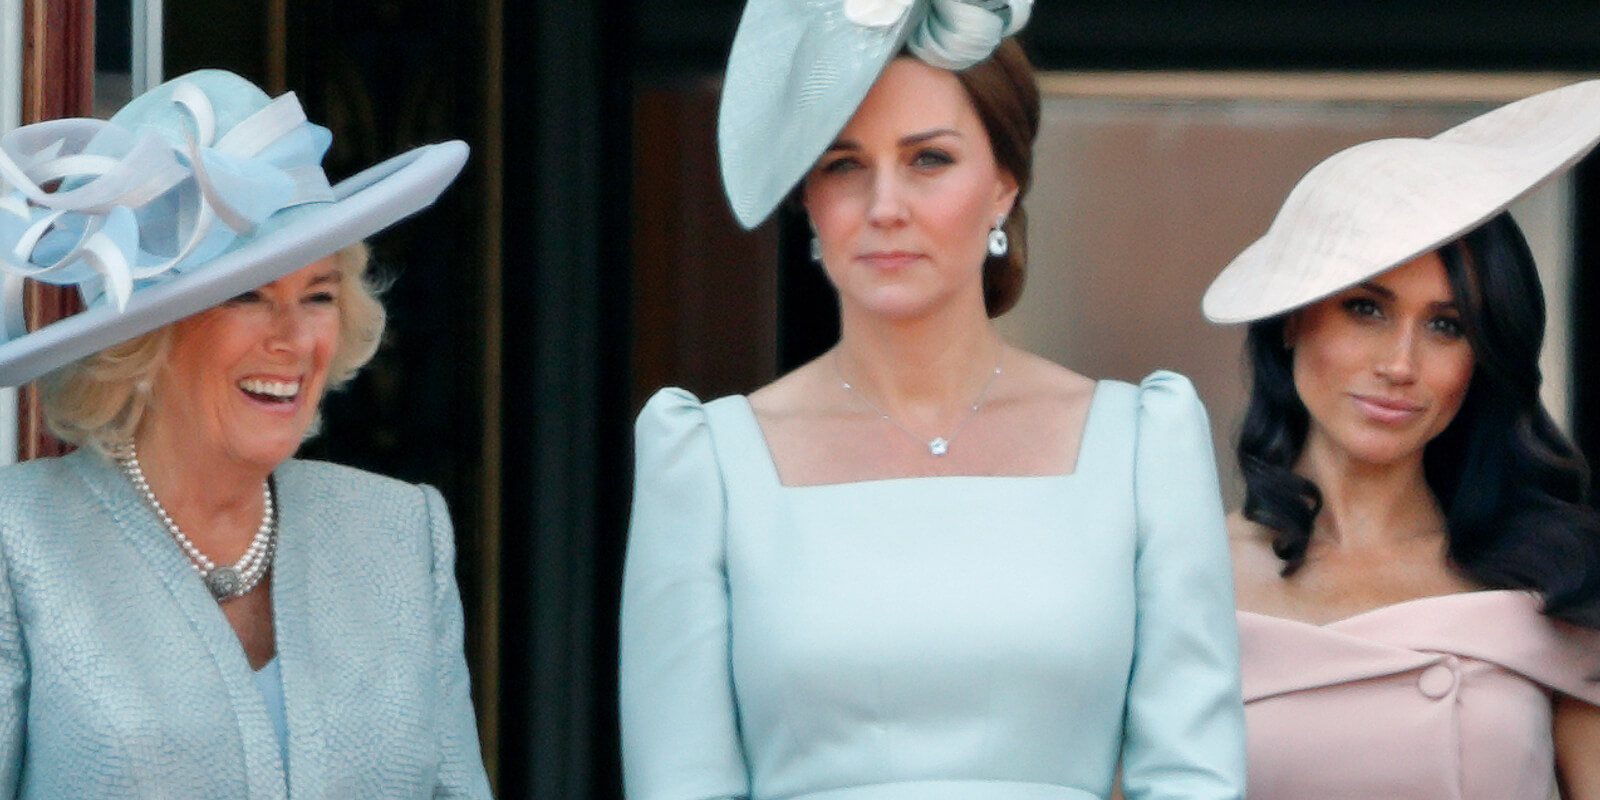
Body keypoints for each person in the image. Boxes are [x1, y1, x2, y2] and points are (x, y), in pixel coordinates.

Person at [620, 2, 1246, 798]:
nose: (886, 205)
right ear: (807, 199)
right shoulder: (705, 461)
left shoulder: (1141, 444)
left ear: (1003, 185)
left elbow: (1194, 777)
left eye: (928, 160)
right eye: (844, 164)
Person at [0, 70, 491, 797]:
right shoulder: (19, 541)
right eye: (247, 296)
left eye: (318, 295)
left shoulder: (400, 532)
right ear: (144, 339)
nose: (293, 338)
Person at [1202, 79, 1600, 800]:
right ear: (1291, 317)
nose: (1400, 365)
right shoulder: (1181, 577)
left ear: (1482, 358)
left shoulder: (1552, 582)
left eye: (1447, 326)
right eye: (1366, 308)